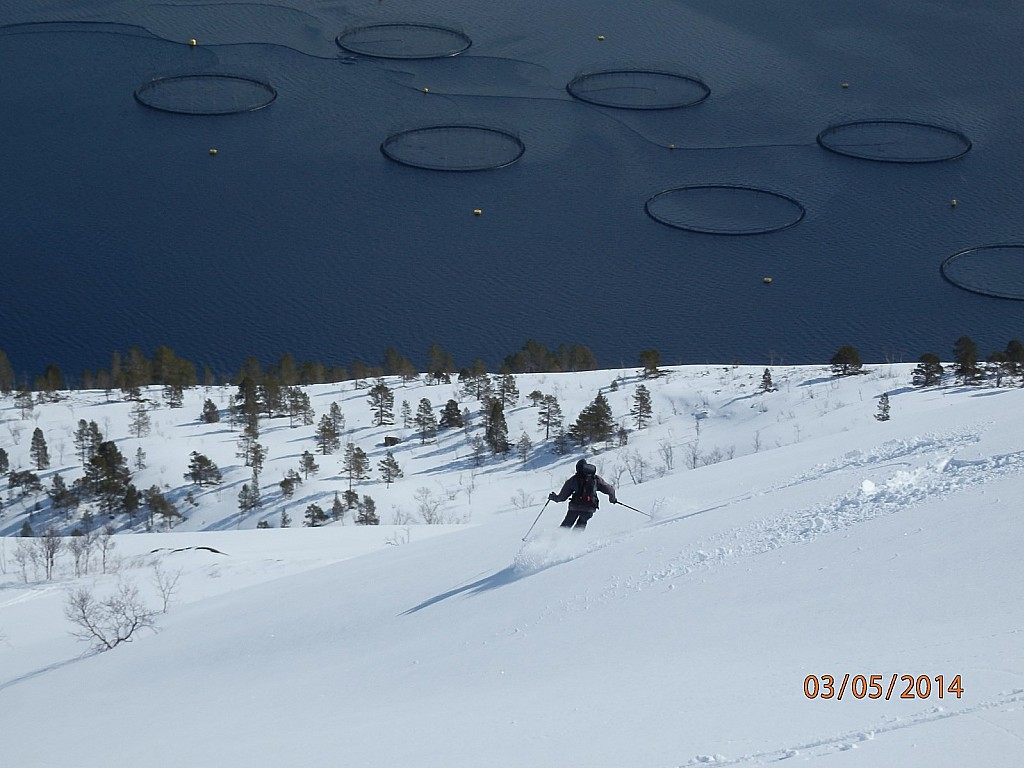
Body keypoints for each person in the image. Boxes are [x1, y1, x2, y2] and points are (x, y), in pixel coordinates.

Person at [548, 458, 616, 530]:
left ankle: (556, 539)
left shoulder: (573, 480)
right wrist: (612, 499)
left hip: (575, 507)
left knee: (566, 525)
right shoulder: (595, 479)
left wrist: (554, 498)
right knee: (581, 524)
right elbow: (610, 489)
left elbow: (562, 497)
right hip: (590, 508)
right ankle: (575, 539)